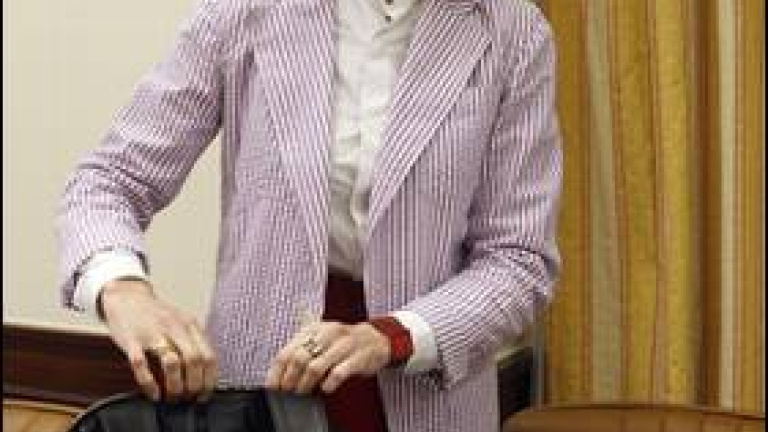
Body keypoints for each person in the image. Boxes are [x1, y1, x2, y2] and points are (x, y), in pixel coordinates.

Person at [56, 0, 562, 430]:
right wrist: (124, 290)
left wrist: (393, 336)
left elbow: (517, 260)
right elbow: (107, 182)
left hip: (427, 397)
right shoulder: (246, 10)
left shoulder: (512, 32)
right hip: (257, 393)